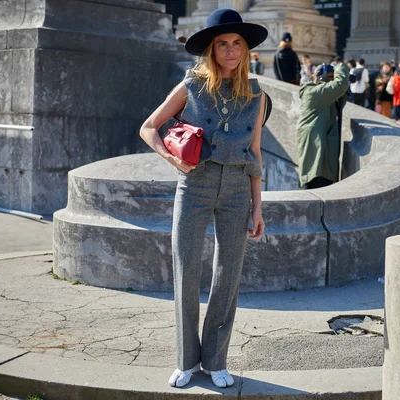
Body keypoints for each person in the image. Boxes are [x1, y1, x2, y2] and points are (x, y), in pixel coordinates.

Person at [139, 8, 267, 389]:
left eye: (237, 43)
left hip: (237, 191)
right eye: (222, 44)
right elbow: (149, 127)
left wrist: (258, 206)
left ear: (245, 49)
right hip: (194, 185)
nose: (230, 50)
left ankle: (215, 359)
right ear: (211, 50)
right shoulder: (191, 86)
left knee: (228, 277)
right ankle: (186, 360)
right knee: (187, 270)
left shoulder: (256, 93)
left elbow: (256, 153)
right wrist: (170, 157)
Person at [295, 63, 350, 189]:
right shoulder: (315, 92)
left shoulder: (322, 95)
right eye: (332, 77)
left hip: (319, 139)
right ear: (321, 78)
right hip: (316, 141)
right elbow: (339, 85)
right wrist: (341, 68)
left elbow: (338, 104)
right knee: (315, 179)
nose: (333, 81)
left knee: (320, 178)